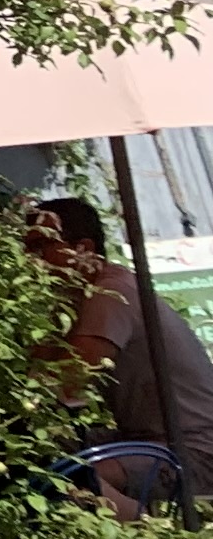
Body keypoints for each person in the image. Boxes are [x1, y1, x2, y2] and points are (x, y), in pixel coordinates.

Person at [38, 195, 213, 490]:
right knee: (45, 447)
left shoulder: (110, 294)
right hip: (145, 439)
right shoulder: (80, 297)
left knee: (78, 477)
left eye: (40, 246)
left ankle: (138, 521)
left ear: (83, 249)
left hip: (194, 450)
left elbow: (70, 382)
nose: (30, 258)